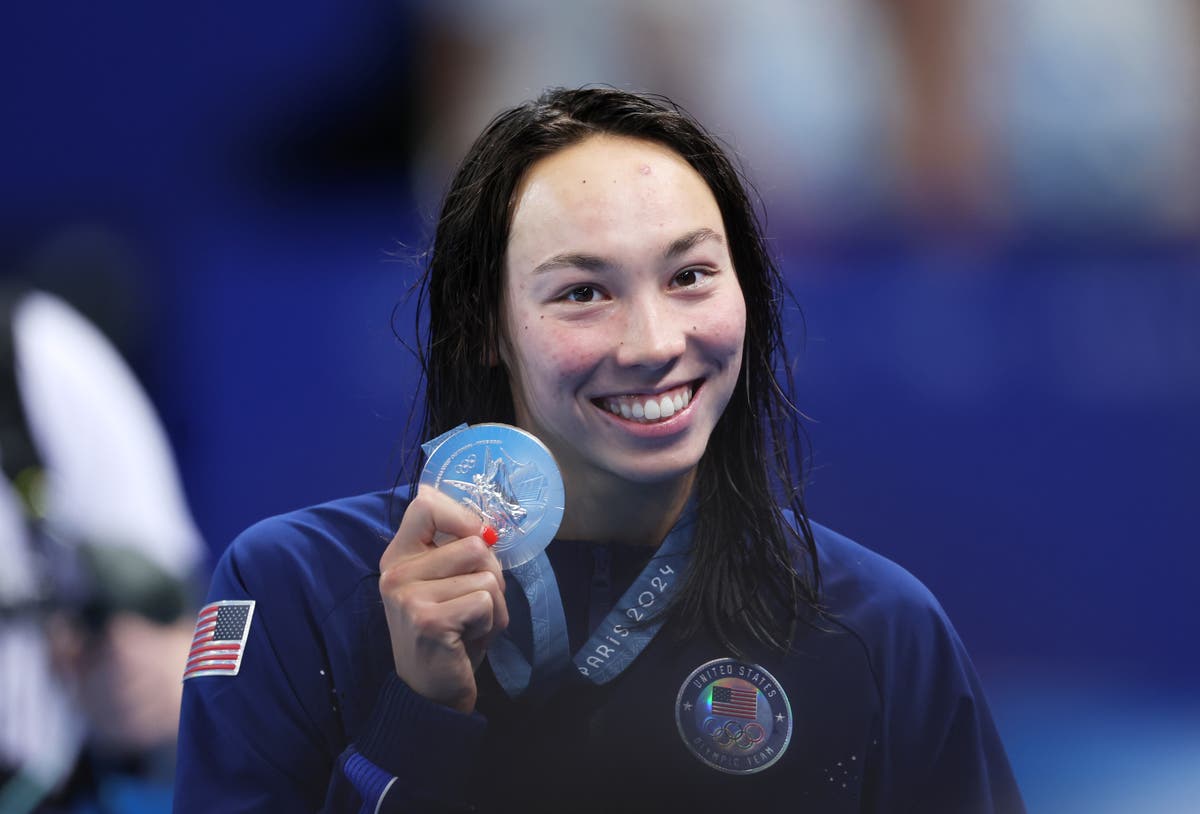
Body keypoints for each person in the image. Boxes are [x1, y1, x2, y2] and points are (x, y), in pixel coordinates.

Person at [175, 87, 1025, 813]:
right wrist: (415, 721)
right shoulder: (296, 594)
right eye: (583, 292)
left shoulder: (879, 630)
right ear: (481, 326)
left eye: (690, 275)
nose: (654, 341)